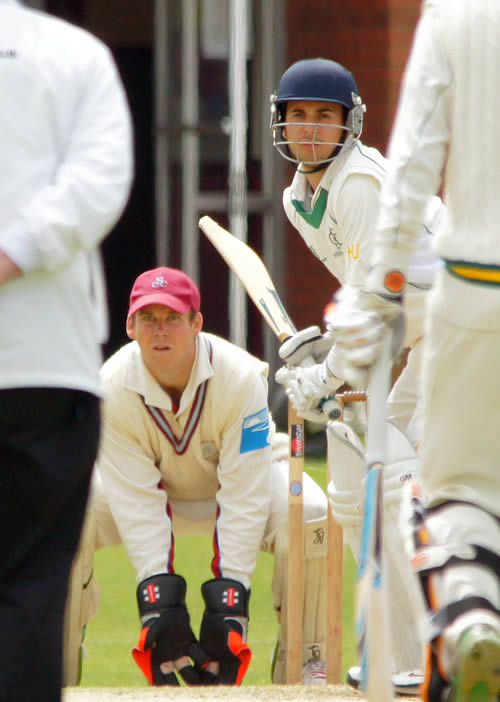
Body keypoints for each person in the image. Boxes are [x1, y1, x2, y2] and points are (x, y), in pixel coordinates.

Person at [322, 2, 500, 701]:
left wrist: (376, 294)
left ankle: (467, 610)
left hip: (477, 286)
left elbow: (415, 165)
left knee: (455, 486)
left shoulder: (455, 18)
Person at [270, 56, 445, 695]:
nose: (310, 129)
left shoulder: (359, 184)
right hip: (416, 325)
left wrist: (329, 373)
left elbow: (379, 298)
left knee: (394, 479)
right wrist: (330, 361)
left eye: (325, 117)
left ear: (351, 124)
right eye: (298, 116)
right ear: (280, 122)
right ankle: (393, 650)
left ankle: (436, 648)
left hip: (465, 323)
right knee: (351, 484)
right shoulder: (298, 198)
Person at [64, 266, 330, 687]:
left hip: (246, 484)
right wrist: (160, 603)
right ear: (130, 325)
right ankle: (54, 672)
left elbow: (244, 495)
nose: (160, 331)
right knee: (67, 513)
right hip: (156, 492)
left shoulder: (240, 378)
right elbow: (135, 499)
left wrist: (230, 604)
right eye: (148, 318)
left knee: (312, 511)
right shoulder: (111, 386)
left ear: (196, 323)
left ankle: (308, 671)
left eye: (172, 318)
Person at [0, 1, 134, 701]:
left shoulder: (76, 54)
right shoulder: (73, 53)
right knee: (28, 594)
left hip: (46, 366)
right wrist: (16, 251)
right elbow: (97, 185)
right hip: (46, 367)